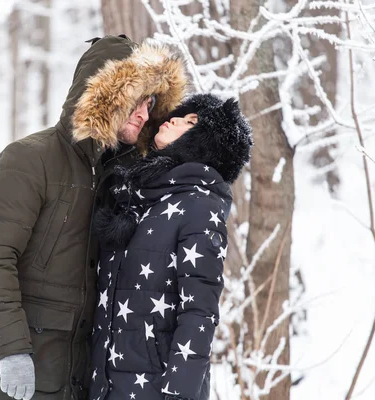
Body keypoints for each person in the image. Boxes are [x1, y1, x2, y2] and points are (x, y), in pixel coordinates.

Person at [0, 34, 188, 400]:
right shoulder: (27, 160)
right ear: (105, 96)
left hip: (78, 379)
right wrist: (11, 348)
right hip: (16, 378)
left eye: (150, 104)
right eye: (137, 99)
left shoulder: (120, 176)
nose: (144, 113)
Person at [89, 93, 253, 400]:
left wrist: (180, 394)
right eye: (180, 115)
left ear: (207, 143)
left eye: (190, 122)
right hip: (107, 385)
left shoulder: (200, 208)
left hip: (157, 390)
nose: (172, 118)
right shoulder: (141, 197)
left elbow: (200, 313)